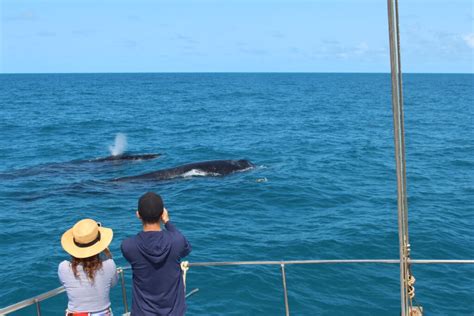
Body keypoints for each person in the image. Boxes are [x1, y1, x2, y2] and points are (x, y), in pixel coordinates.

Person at [121, 192, 192, 316]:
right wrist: (168, 222)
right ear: (162, 214)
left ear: (138, 215)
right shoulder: (176, 241)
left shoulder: (128, 246)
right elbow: (186, 248)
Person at [59, 219, 118, 316]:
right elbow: (113, 283)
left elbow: (64, 283)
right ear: (100, 244)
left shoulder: (63, 267)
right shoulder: (110, 265)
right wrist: (106, 252)